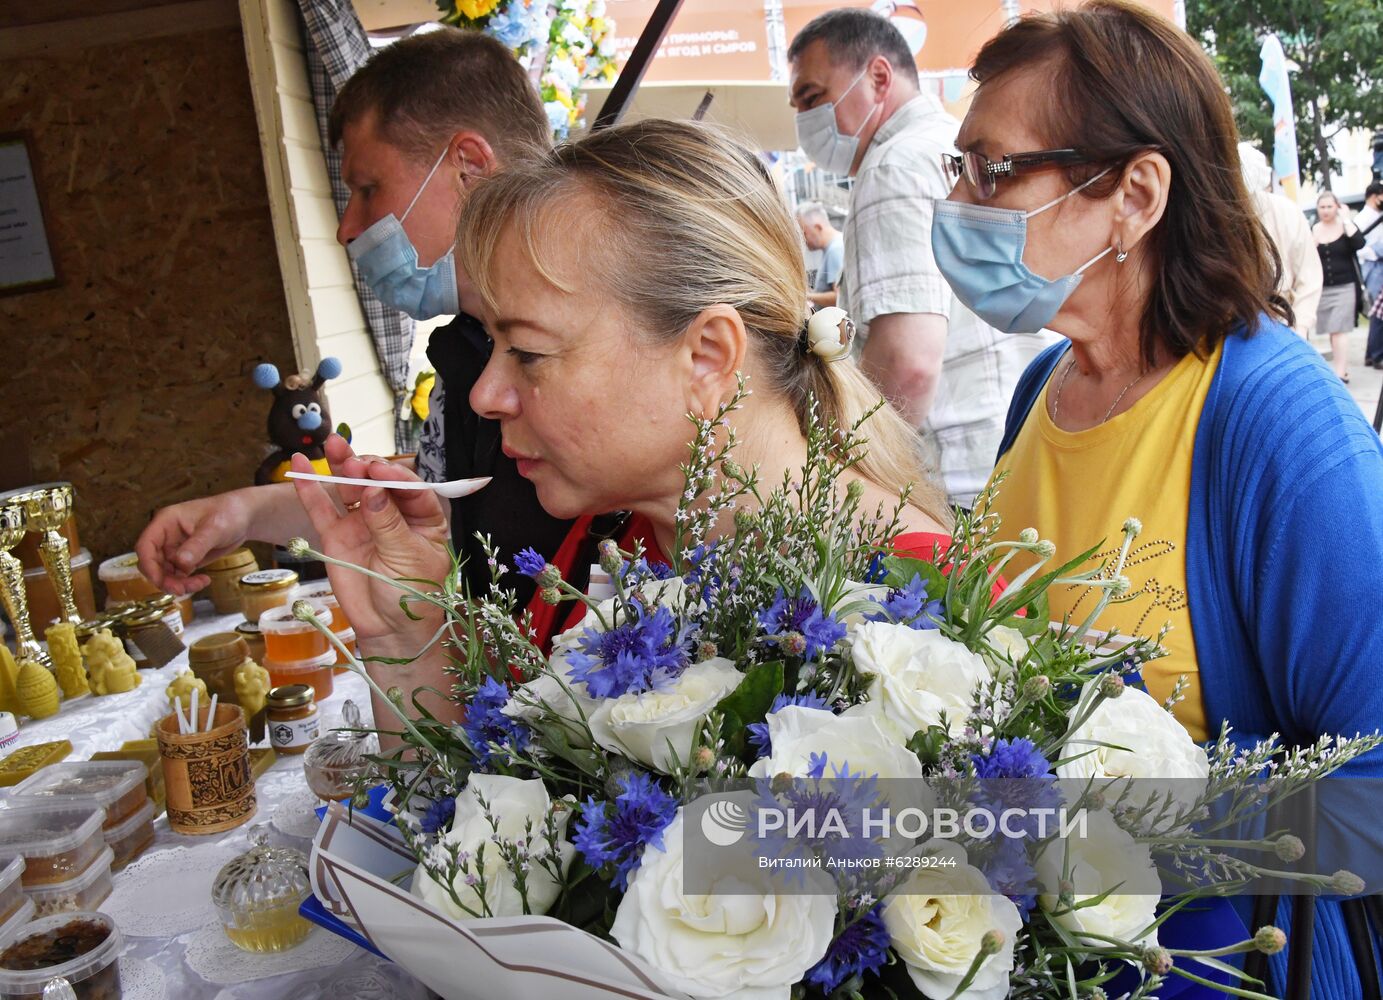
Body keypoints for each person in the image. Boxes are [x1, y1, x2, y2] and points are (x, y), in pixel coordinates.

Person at [941, 3, 1383, 995]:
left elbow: (1376, 798)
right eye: (953, 172)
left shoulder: (1281, 432)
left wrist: (1132, 825)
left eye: (993, 169)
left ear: (1134, 193)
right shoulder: (1040, 391)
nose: (960, 203)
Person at [290, 118, 954, 706]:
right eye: (494, 345)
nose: (483, 396)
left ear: (705, 356)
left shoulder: (916, 614)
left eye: (525, 350)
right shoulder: (622, 541)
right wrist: (409, 636)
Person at [136, 29, 572, 615]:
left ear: (468, 166)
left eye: (369, 189)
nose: (348, 227)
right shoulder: (463, 347)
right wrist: (243, 513)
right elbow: (441, 503)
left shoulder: (582, 343)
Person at [787, 8, 1058, 509]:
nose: (804, 120)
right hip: (1012, 460)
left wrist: (845, 479)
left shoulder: (893, 167)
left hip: (950, 482)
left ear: (878, 77)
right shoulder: (946, 145)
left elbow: (906, 363)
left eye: (812, 97)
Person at [1238, 141, 1322, 337]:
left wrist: (1299, 327)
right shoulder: (1216, 214)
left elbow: (1309, 277)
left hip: (1283, 319)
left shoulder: (1287, 212)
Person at [1312, 191, 1366, 382]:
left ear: (1337, 207)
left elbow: (1360, 243)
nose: (1326, 210)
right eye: (1322, 207)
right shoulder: (1314, 229)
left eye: (1329, 206)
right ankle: (1339, 368)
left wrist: (1346, 219)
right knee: (1331, 330)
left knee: (1339, 329)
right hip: (1323, 288)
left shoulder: (1346, 228)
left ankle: (1340, 373)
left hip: (1345, 287)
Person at [1355, 181, 1383, 368]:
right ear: (1375, 196)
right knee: (1378, 313)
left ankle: (1371, 354)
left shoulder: (1377, 215)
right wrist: (1376, 252)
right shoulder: (1363, 218)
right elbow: (1357, 247)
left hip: (1377, 266)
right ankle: (1376, 355)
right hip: (1373, 267)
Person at [796, 201, 844, 308]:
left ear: (817, 227)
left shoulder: (835, 250)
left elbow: (839, 296)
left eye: (804, 233)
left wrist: (805, 296)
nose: (803, 240)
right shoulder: (834, 247)